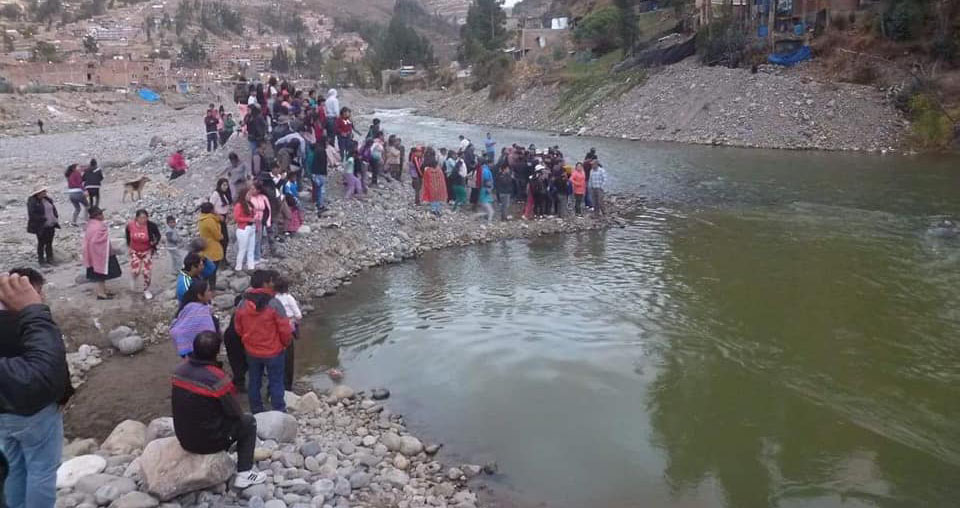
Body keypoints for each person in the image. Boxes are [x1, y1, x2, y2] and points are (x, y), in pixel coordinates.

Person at [0, 271, 71, 508]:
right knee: (42, 470)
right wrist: (64, 394)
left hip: (4, 413)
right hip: (35, 411)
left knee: (14, 465)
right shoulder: (31, 324)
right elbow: (51, 365)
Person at [171, 331, 267, 489]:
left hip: (184, 438)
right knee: (249, 422)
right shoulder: (217, 379)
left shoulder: (178, 371)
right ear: (217, 352)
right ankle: (244, 473)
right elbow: (236, 413)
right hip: (208, 443)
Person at [234, 270, 293, 413]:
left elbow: (238, 328)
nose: (273, 284)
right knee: (276, 381)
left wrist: (247, 340)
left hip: (252, 351)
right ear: (265, 283)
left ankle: (256, 410)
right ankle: (279, 410)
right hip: (273, 351)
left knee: (254, 381)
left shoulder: (242, 303)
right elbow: (284, 329)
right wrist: (285, 344)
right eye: (271, 281)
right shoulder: (274, 303)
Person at [170, 280, 217, 357]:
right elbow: (210, 333)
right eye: (208, 291)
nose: (210, 292)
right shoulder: (201, 311)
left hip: (188, 345)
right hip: (198, 349)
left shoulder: (189, 306)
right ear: (199, 296)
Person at [83, 207, 120, 300]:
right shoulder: (99, 226)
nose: (102, 215)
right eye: (100, 214)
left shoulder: (90, 225)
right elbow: (96, 241)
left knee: (100, 273)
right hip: (100, 253)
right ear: (96, 216)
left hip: (93, 253)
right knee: (101, 273)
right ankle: (101, 293)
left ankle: (104, 290)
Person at [273, 278, 301, 391]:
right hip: (288, 329)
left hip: (276, 331)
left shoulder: (273, 299)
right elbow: (298, 315)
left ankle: (278, 382)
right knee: (289, 358)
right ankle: (288, 386)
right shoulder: (289, 298)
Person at [125, 209, 161, 300]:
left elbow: (158, 235)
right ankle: (133, 278)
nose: (143, 220)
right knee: (135, 270)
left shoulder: (151, 225)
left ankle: (146, 289)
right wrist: (129, 246)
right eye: (141, 218)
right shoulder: (130, 225)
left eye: (145, 217)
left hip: (147, 251)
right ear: (136, 218)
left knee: (146, 272)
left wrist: (155, 242)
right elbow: (127, 235)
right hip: (135, 250)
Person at [26, 187, 59, 266]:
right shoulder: (32, 201)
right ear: (38, 193)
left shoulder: (48, 199)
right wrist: (43, 218)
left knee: (49, 243)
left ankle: (50, 258)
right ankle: (41, 260)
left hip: (51, 224)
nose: (45, 192)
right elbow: (32, 214)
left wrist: (55, 217)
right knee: (41, 243)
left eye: (45, 191)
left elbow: (53, 209)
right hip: (40, 226)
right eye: (43, 191)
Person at [233, 187, 257, 272]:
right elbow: (236, 218)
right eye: (248, 194)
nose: (250, 196)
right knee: (242, 249)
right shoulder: (239, 205)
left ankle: (251, 266)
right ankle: (238, 267)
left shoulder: (250, 204)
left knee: (251, 248)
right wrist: (248, 219)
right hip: (243, 229)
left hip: (251, 227)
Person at [198, 203, 224, 275]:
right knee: (213, 270)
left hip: (205, 245)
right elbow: (217, 235)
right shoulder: (210, 221)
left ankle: (208, 284)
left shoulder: (202, 218)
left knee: (207, 268)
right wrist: (221, 236)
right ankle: (212, 285)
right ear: (211, 210)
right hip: (213, 247)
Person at [420, 148, 448, 217]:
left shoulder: (425, 162)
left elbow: (422, 169)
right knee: (437, 194)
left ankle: (433, 209)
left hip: (429, 177)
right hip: (437, 176)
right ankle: (437, 209)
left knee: (431, 193)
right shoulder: (436, 161)